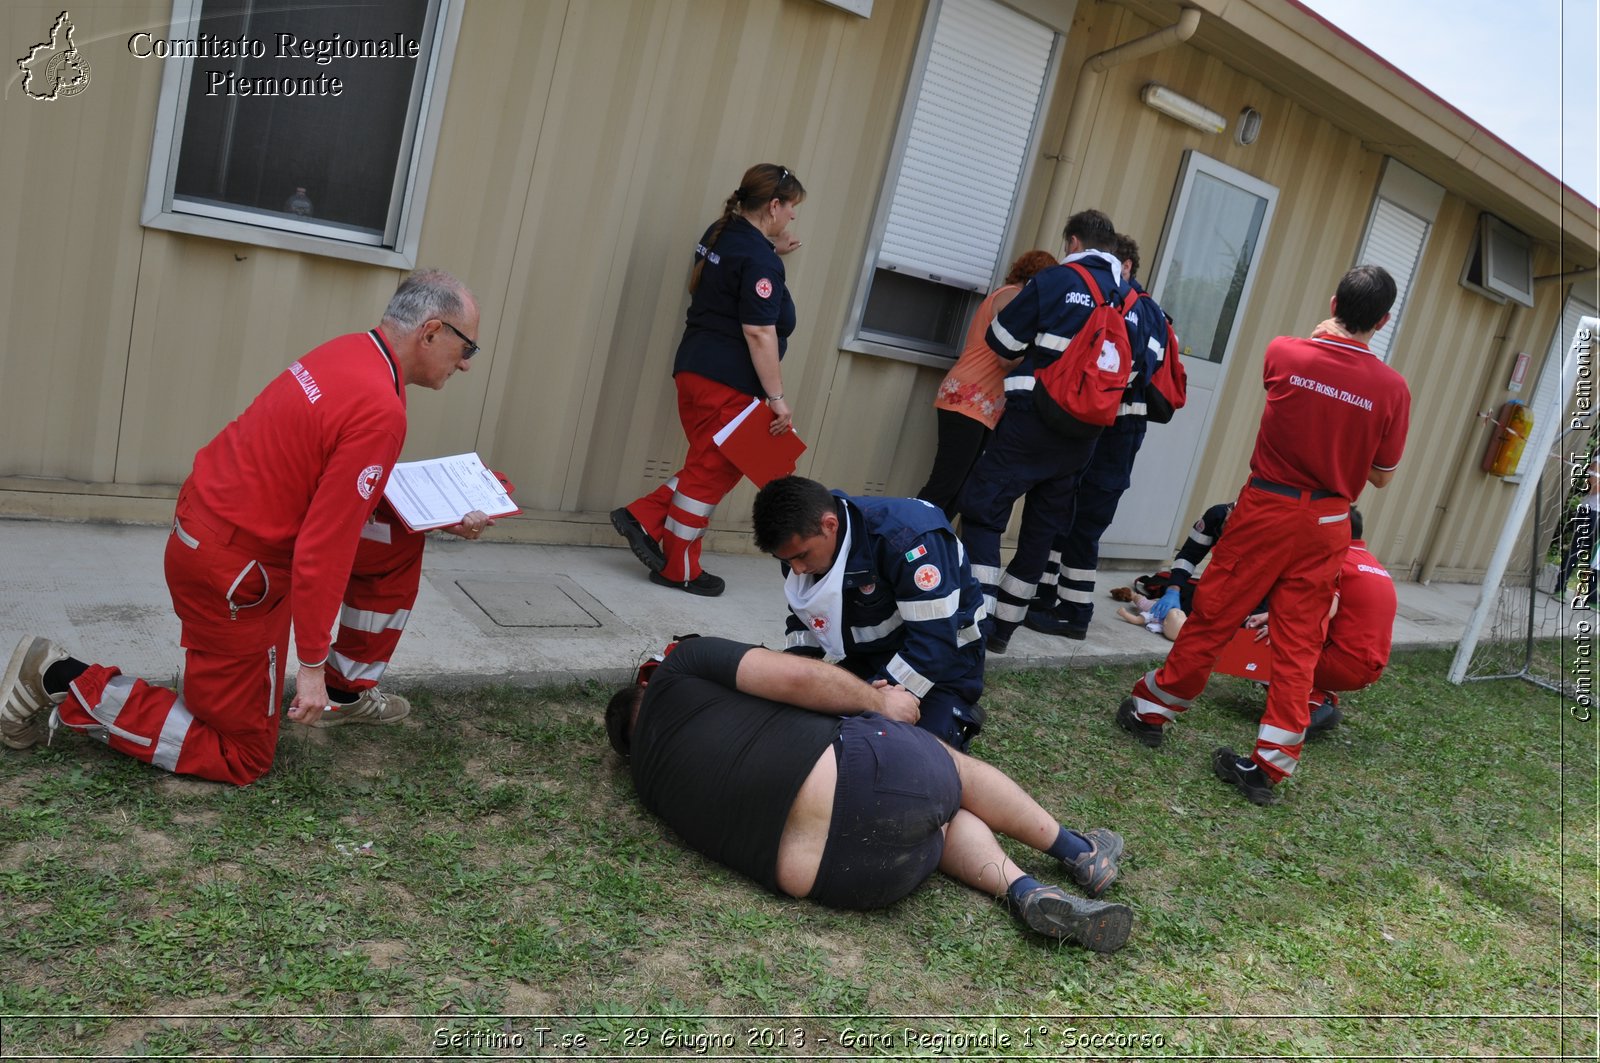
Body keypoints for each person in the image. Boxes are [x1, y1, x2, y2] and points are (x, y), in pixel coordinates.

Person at [0, 270, 493, 785]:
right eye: (468, 348)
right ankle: (57, 676)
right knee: (241, 756)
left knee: (394, 539)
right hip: (234, 574)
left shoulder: (353, 353)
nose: (465, 364)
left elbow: (335, 477)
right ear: (431, 331)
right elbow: (325, 549)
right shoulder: (382, 408)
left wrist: (438, 513)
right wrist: (310, 666)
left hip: (219, 533)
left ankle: (347, 694)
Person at [605, 634, 1133, 952]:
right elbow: (791, 677)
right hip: (872, 777)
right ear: (646, 687)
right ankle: (1080, 852)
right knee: (953, 774)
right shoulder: (680, 667)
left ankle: (1028, 893)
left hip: (851, 881)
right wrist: (878, 705)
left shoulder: (647, 783)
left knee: (937, 818)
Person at [1115, 266, 1411, 806]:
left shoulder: (1286, 352)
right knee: (1300, 642)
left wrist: (1323, 341)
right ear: (1385, 320)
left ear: (1333, 300)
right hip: (1329, 521)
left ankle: (1152, 712)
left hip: (1267, 506)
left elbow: (1296, 383)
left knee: (1217, 614)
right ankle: (1269, 768)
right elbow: (1383, 475)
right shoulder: (1393, 389)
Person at [611, 163, 806, 598]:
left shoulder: (721, 234)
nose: (793, 217)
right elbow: (758, 332)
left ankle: (643, 516)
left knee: (708, 463)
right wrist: (776, 397)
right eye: (791, 207)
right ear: (774, 205)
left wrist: (771, 251)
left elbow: (736, 276)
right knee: (711, 475)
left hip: (695, 371)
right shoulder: (757, 259)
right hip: (729, 381)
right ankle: (677, 566)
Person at [955, 209, 1124, 654]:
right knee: (1041, 531)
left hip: (1032, 420)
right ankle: (1003, 630)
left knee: (983, 510)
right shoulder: (1127, 299)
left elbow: (1002, 342)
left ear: (1072, 242)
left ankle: (974, 618)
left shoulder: (1054, 282)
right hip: (1085, 434)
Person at [752, 476, 987, 751]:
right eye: (785, 560)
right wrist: (796, 671)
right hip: (865, 659)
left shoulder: (910, 539)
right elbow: (805, 618)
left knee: (909, 757)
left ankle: (950, 724)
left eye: (801, 556)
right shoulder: (802, 552)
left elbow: (933, 644)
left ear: (830, 524)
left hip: (941, 669)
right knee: (800, 732)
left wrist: (874, 701)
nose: (796, 570)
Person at [1029, 234, 1176, 639]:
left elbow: (1140, 369)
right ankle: (1044, 596)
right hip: (1102, 423)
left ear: (1126, 266)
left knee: (1086, 519)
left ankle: (1074, 611)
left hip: (1119, 427)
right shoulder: (1126, 305)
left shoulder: (1144, 311)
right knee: (1064, 508)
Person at [916, 249, 1059, 517]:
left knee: (960, 485)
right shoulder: (1014, 298)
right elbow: (1006, 359)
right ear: (1039, 279)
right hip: (969, 398)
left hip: (979, 402)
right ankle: (907, 542)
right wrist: (1043, 356)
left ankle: (937, 546)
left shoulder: (1009, 296)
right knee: (946, 483)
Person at [1252, 507, 1397, 735]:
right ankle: (1319, 696)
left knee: (1264, 645)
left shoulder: (1337, 561)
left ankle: (1312, 704)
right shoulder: (1375, 566)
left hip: (1340, 664)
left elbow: (1322, 611)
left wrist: (1276, 626)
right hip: (1370, 668)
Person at [1558, 463, 1599, 607]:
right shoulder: (1597, 461)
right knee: (1577, 550)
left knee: (1596, 556)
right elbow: (1593, 489)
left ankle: (1592, 596)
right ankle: (1559, 587)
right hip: (1590, 512)